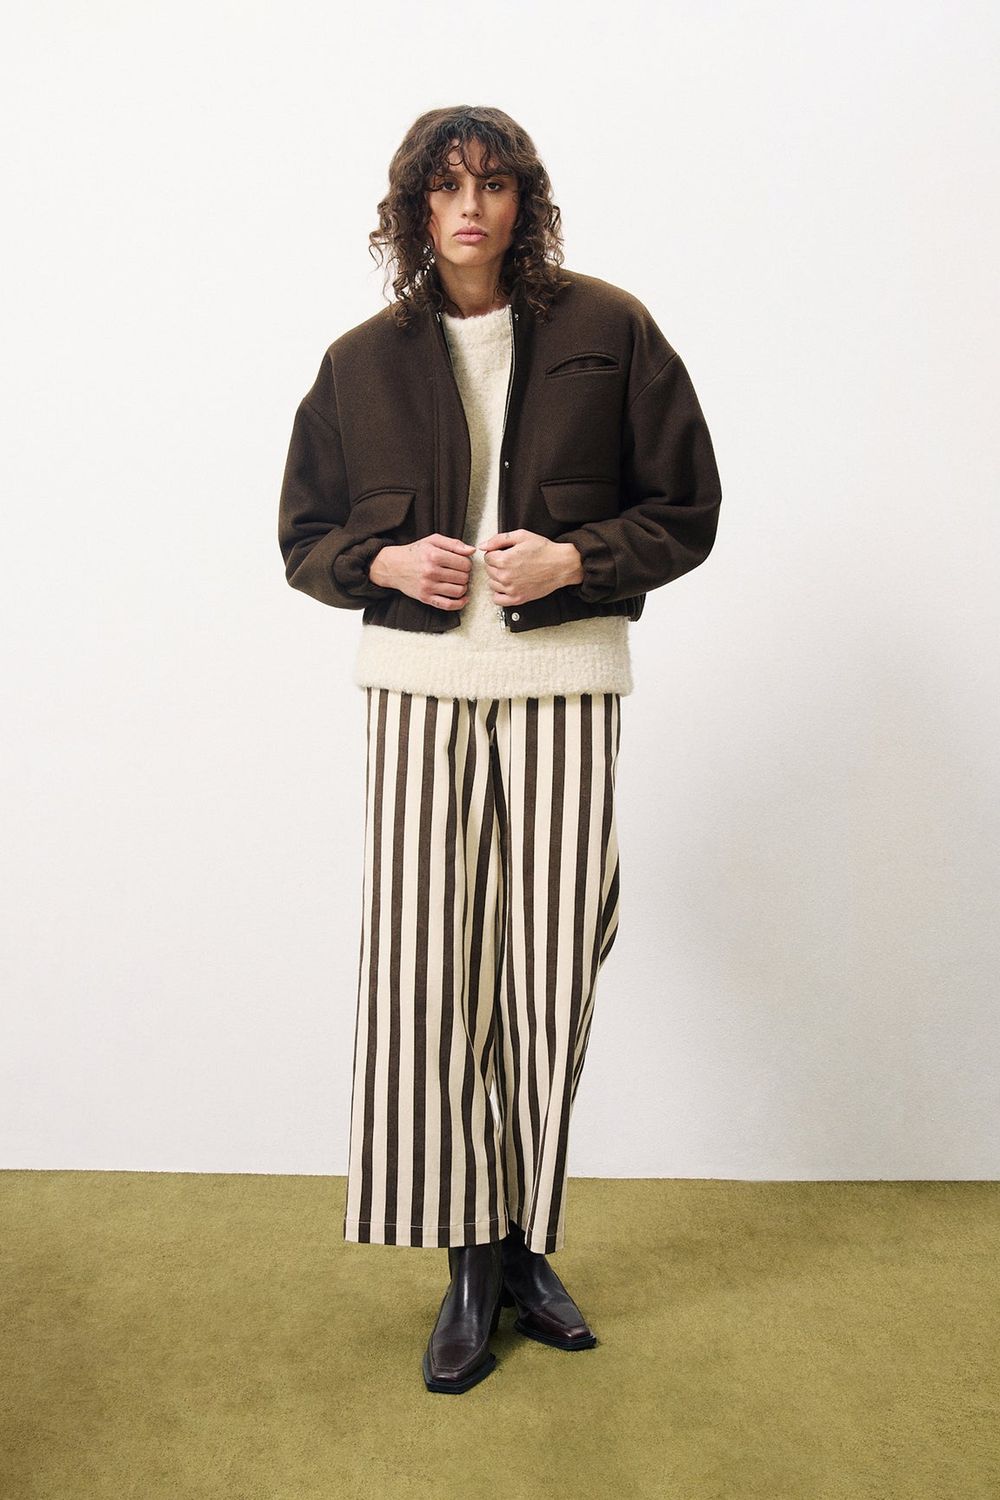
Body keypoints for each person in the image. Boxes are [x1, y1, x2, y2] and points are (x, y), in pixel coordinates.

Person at [277, 105, 722, 1395]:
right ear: (414, 209)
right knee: (428, 972)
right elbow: (303, 536)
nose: (470, 208)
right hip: (419, 691)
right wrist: (381, 565)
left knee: (552, 961)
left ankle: (526, 1242)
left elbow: (688, 508)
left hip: (566, 684)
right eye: (446, 187)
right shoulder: (360, 361)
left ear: (525, 202)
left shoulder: (611, 329)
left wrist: (577, 558)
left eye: (493, 185)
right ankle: (470, 1261)